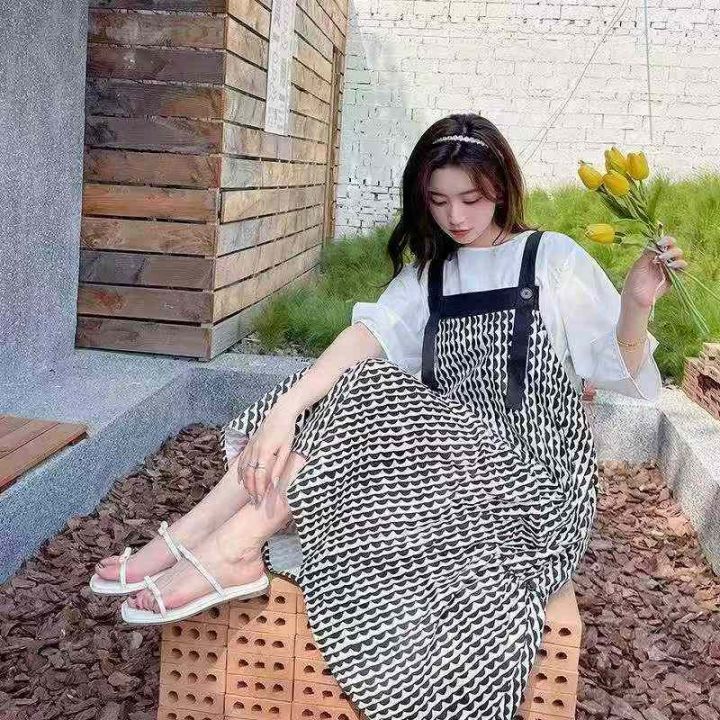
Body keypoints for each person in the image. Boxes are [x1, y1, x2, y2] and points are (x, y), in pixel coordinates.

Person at [89, 113, 686, 720]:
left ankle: (231, 546)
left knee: (368, 384)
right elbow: (367, 335)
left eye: (471, 199)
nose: (455, 217)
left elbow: (617, 368)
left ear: (502, 188)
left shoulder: (548, 257)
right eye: (438, 201)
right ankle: (197, 536)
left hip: (535, 485)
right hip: (451, 471)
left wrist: (636, 303)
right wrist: (285, 410)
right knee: (330, 383)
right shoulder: (432, 273)